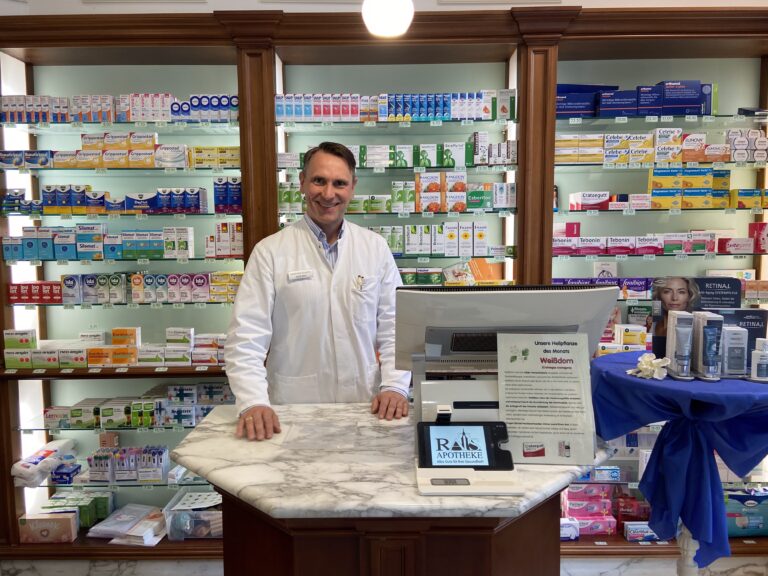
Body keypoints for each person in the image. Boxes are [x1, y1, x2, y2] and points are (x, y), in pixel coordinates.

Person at [225, 141, 412, 441]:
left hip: (365, 410)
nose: (328, 194)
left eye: (339, 183)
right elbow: (246, 338)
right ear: (301, 182)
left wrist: (395, 386)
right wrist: (253, 401)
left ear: (353, 187)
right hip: (291, 414)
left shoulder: (374, 248)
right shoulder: (270, 252)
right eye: (318, 181)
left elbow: (396, 327)